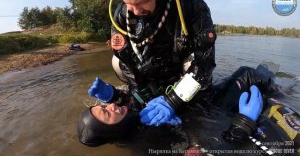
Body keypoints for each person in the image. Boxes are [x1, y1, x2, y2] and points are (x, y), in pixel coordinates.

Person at [89, 0, 217, 127]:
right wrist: (134, 92)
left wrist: (173, 100)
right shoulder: (122, 15)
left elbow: (204, 63)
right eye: (129, 3)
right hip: (149, 69)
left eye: (143, 2)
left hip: (182, 72)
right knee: (117, 61)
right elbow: (123, 57)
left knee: (199, 94)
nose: (136, 12)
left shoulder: (193, 8)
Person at [79, 66, 271, 146]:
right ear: (113, 130)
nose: (111, 106)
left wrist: (114, 94)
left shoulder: (129, 121)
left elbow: (133, 102)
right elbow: (209, 147)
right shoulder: (150, 141)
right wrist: (243, 125)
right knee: (247, 75)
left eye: (104, 105)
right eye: (106, 112)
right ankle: (276, 92)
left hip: (194, 103)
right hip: (211, 113)